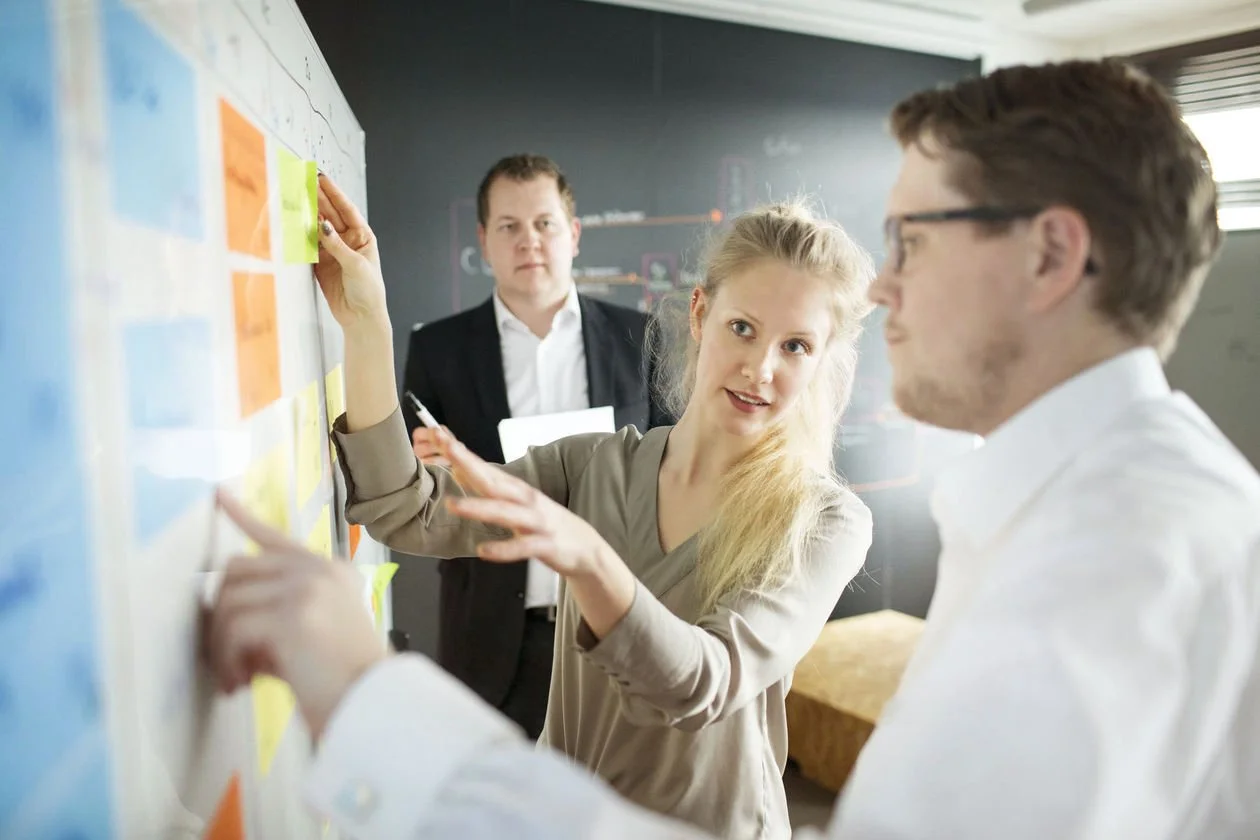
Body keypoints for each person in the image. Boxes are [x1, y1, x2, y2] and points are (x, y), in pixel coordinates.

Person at [203, 57, 1260, 840]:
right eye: (749, 328)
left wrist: (373, 698)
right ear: (703, 317)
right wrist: (367, 324)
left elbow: (704, 683)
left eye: (912, 240)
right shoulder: (1073, 515)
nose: (885, 287)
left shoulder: (1116, 559)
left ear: (1051, 255)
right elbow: (408, 509)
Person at [400, 153, 670, 739]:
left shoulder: (641, 337)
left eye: (544, 223)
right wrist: (428, 467)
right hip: (494, 633)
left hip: (622, 620)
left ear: (573, 234)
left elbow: (673, 465)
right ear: (484, 240)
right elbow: (414, 496)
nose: (529, 241)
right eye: (509, 226)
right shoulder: (438, 351)